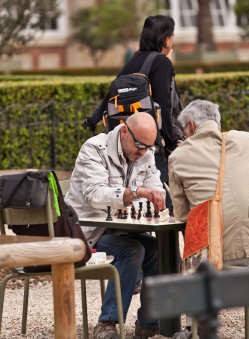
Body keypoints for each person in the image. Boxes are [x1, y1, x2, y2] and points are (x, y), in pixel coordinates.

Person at [168, 100, 249, 339]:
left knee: (194, 256)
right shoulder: (245, 139)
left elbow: (182, 216)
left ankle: (193, 328)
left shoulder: (178, 156)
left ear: (190, 126)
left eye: (183, 131)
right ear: (216, 121)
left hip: (214, 258)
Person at [65, 112, 166, 339]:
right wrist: (137, 193)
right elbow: (95, 194)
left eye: (149, 147)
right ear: (124, 132)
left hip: (122, 231)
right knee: (132, 250)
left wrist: (152, 197)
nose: (143, 153)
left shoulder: (144, 152)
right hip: (86, 235)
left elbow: (155, 188)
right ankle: (107, 324)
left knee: (162, 251)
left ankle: (150, 323)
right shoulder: (93, 149)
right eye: (140, 145)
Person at [84, 15, 183, 210]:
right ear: (166, 39)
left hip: (127, 142)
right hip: (152, 144)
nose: (172, 41)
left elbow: (110, 94)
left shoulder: (132, 61)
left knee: (139, 201)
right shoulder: (161, 62)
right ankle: (167, 240)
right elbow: (163, 105)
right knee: (167, 202)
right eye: (172, 36)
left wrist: (94, 118)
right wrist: (172, 143)